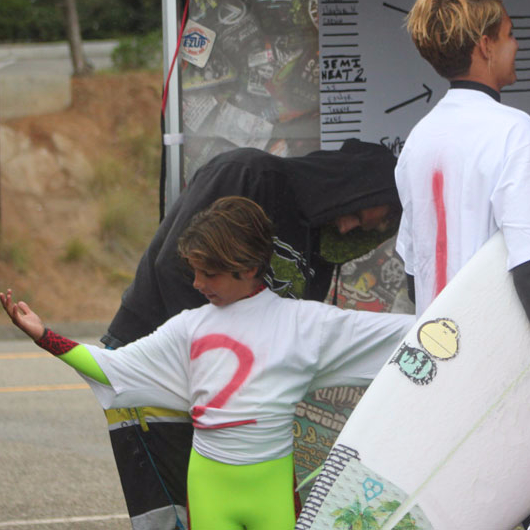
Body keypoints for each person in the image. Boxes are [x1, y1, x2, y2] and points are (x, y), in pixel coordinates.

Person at [1, 196, 415, 530]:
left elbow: (406, 335)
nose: (197, 284)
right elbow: (114, 368)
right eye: (195, 272)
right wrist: (44, 336)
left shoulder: (306, 323)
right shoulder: (189, 328)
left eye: (209, 274)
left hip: (271, 491)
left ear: (249, 267)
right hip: (209, 488)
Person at [99, 138, 402, 529]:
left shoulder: (321, 242)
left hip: (221, 386)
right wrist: (215, 367)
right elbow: (174, 266)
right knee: (174, 512)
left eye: (363, 228)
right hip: (158, 360)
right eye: (356, 212)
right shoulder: (249, 174)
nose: (347, 226)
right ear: (348, 186)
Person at [395, 0, 530, 426]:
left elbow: (413, 275)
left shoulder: (418, 141)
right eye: (508, 34)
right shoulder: (512, 131)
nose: (516, 45)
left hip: (439, 365)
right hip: (501, 368)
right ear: (485, 46)